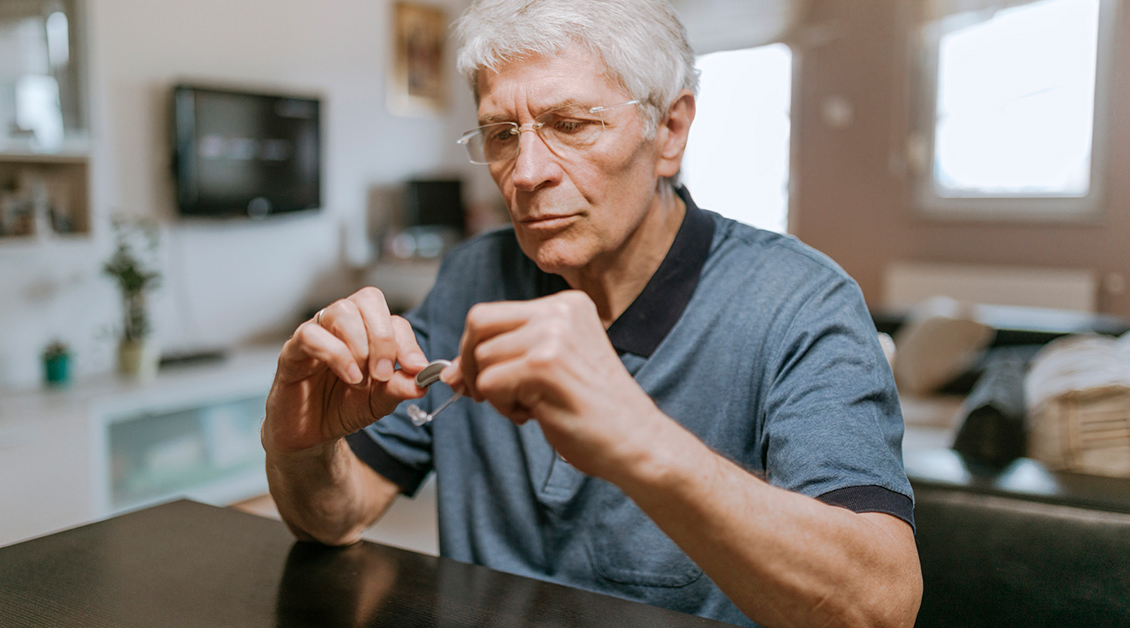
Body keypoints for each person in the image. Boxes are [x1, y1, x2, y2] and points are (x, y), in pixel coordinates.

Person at [263, 0, 922, 626]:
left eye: (570, 125)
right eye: (500, 133)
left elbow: (880, 607)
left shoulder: (800, 304)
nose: (525, 173)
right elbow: (336, 517)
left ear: (670, 130)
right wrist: (301, 445)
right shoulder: (473, 276)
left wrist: (640, 440)